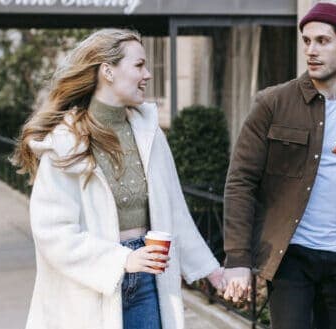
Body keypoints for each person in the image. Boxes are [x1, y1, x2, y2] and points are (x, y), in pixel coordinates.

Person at [11, 29, 225, 329]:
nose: (147, 74)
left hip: (149, 279)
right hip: (86, 290)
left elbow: (173, 211)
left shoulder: (149, 134)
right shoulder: (64, 142)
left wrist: (210, 270)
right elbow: (53, 232)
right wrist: (121, 260)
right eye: (138, 65)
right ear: (107, 71)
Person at [221, 3, 336, 328]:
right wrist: (237, 259)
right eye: (307, 41)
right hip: (292, 255)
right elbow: (240, 182)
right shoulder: (272, 103)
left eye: (322, 41)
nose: (311, 50)